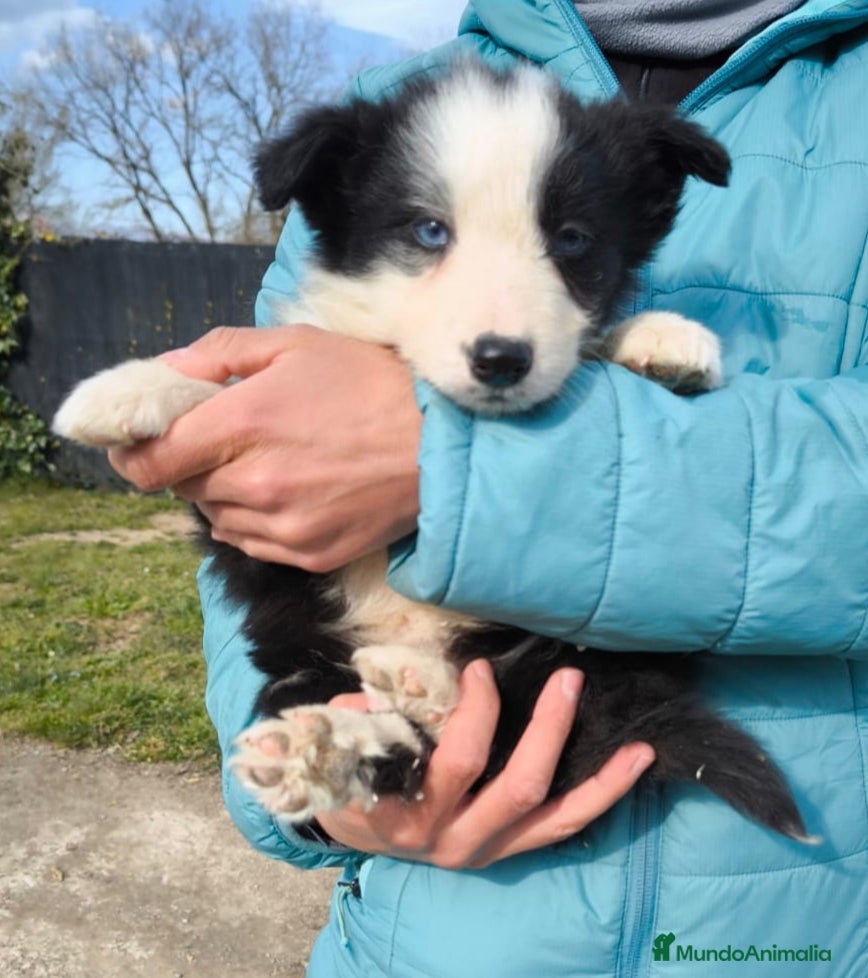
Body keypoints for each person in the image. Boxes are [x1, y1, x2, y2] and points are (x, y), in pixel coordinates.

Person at [109, 1, 868, 975]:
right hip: (426, 936)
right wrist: (316, 793)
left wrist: (449, 463)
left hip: (791, 931)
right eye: (429, 229)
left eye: (568, 243)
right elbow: (260, 504)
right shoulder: (388, 110)